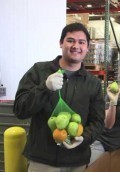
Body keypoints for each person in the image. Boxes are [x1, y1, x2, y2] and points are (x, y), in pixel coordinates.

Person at [13, 23, 105, 171]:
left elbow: (98, 122)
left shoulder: (93, 84)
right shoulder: (39, 71)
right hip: (42, 161)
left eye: (81, 42)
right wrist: (44, 88)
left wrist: (84, 138)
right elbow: (20, 110)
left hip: (77, 161)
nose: (76, 46)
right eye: (70, 40)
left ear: (87, 48)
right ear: (61, 43)